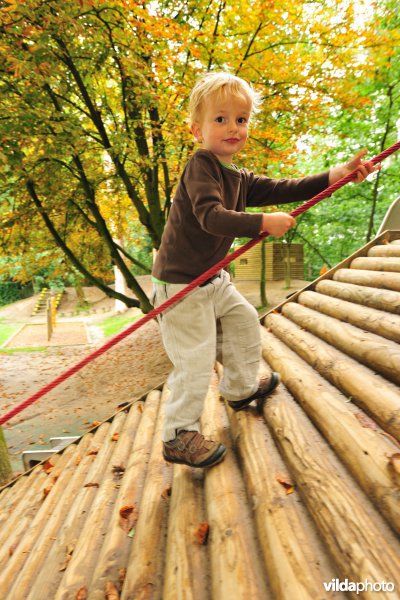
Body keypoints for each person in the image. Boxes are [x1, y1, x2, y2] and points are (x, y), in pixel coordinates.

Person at [151, 71, 377, 469]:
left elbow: (283, 188)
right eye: (220, 119)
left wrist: (335, 175)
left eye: (241, 119)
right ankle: (177, 435)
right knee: (195, 360)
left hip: (213, 277)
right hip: (181, 285)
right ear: (196, 129)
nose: (233, 127)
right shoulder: (201, 166)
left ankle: (238, 389)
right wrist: (261, 223)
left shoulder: (237, 176)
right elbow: (210, 217)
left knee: (243, 322)